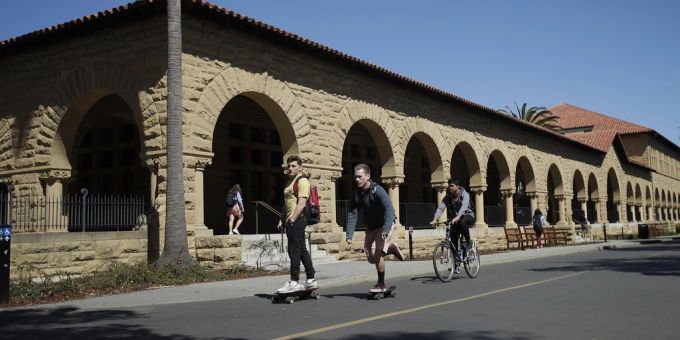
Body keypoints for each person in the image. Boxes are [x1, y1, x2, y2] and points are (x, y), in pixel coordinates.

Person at [345, 164, 405, 293]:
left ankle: (381, 283)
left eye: (360, 177)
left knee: (376, 254)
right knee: (371, 258)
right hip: (371, 227)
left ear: (368, 176)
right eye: (355, 177)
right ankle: (391, 248)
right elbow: (352, 212)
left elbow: (389, 209)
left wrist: (386, 229)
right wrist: (349, 234)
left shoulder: (377, 190)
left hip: (385, 224)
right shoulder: (357, 194)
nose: (357, 179)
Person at [276, 155, 317, 293]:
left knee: (294, 250)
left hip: (298, 219)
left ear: (300, 167)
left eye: (293, 166)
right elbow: (287, 203)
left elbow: (301, 203)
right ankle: (311, 279)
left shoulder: (302, 181)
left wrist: (292, 220)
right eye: (289, 166)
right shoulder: (289, 182)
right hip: (290, 219)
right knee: (301, 248)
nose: (290, 168)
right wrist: (282, 219)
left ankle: (294, 281)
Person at [429, 178, 475, 273]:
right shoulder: (448, 197)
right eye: (449, 186)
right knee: (452, 238)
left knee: (462, 223)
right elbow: (441, 208)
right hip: (456, 219)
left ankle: (468, 241)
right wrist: (435, 219)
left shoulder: (464, 194)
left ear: (458, 186)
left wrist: (458, 216)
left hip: (468, 216)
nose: (450, 188)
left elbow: (465, 205)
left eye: (452, 186)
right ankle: (455, 264)